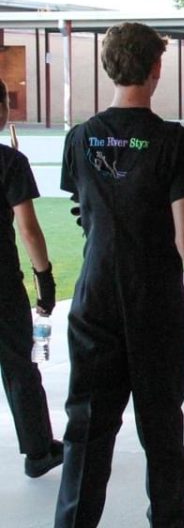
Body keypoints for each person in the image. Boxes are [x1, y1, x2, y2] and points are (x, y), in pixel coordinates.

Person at [56, 22, 184, 527]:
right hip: (153, 298)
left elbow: (88, 209)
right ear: (156, 69)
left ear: (109, 67)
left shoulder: (79, 139)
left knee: (87, 428)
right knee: (160, 427)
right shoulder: (174, 143)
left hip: (94, 297)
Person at [0, 78, 63, 479]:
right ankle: (38, 449)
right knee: (19, 365)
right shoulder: (9, 161)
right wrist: (44, 278)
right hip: (2, 281)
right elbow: (29, 230)